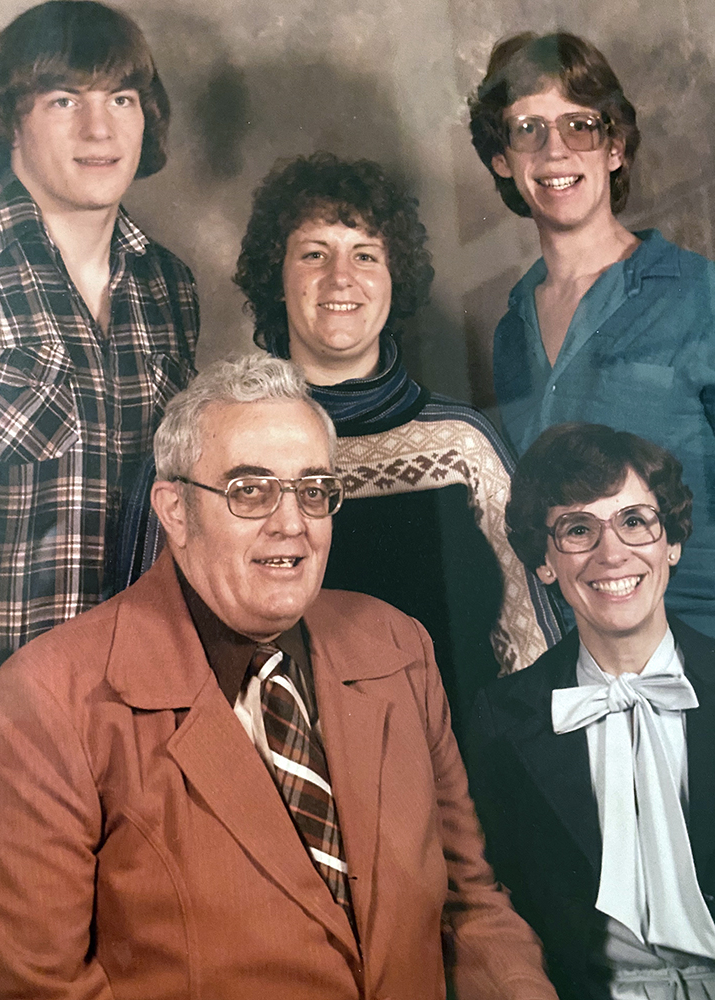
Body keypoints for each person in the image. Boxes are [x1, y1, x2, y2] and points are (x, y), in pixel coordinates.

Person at [0, 355, 558, 1000]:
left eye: (313, 489)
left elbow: (470, 906)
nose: (292, 523)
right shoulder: (44, 702)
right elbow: (24, 987)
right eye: (250, 490)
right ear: (175, 512)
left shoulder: (398, 646)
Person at [0, 1, 198, 990]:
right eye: (64, 97)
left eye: (122, 97)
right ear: (10, 116)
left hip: (130, 698)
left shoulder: (167, 285)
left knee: (132, 955)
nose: (98, 126)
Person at [119, 152, 560, 743]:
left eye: (366, 255)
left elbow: (535, 653)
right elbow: (150, 643)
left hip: (457, 775)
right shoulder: (204, 443)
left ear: (394, 276)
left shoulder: (464, 445)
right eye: (313, 253)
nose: (340, 278)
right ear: (276, 275)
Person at [469, 32, 715, 638]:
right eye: (528, 129)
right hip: (579, 657)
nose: (555, 151)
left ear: (614, 148)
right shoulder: (509, 335)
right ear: (503, 159)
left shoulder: (697, 294)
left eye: (579, 126)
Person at [467, 423, 715, 1000]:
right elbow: (494, 904)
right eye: (579, 529)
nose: (612, 553)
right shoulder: (503, 719)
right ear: (545, 561)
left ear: (671, 542)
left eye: (635, 521)